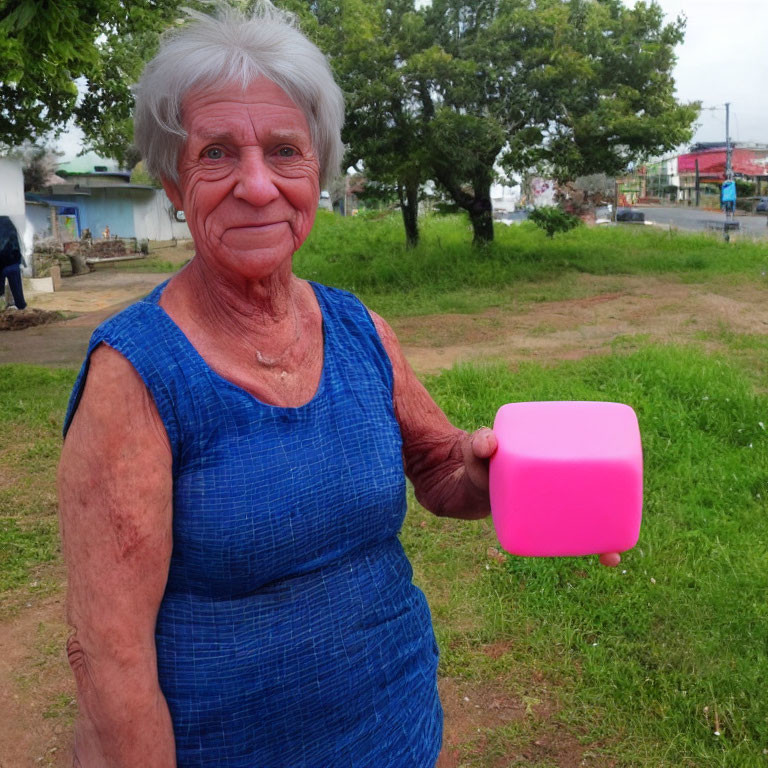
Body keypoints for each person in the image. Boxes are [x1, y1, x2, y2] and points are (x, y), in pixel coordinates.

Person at [57, 4, 618, 766]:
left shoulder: (358, 330)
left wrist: (502, 477)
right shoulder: (136, 375)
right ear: (174, 183)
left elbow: (441, 468)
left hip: (398, 730)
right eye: (218, 153)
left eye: (284, 151)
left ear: (315, 172)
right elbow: (109, 663)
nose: (257, 185)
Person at [0, 216, 28, 310]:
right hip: (13, 264)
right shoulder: (11, 227)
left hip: (2, 265)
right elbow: (18, 246)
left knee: (1, 291)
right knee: (17, 289)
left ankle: (3, 307)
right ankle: (21, 307)